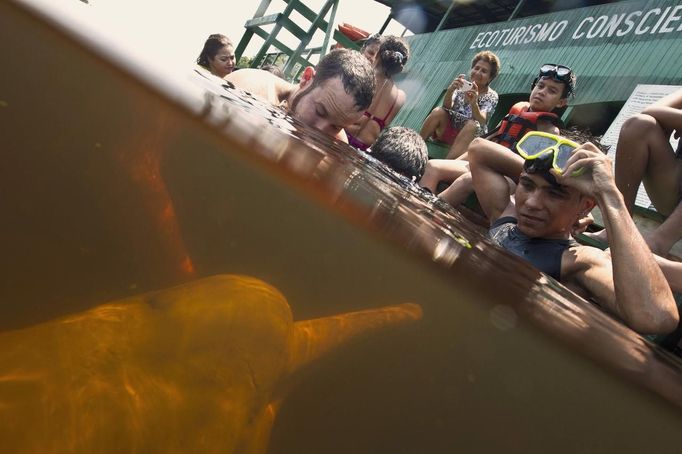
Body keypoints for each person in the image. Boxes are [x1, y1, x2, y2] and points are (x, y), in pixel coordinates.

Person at [466, 131, 678, 334]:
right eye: (527, 185)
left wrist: (608, 193)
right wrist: (546, 167)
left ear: (586, 206)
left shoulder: (579, 261)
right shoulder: (505, 216)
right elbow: (478, 149)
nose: (531, 203)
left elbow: (656, 317)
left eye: (554, 194)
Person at [421, 63, 576, 208]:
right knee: (433, 166)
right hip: (483, 166)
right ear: (533, 87)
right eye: (540, 86)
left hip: (510, 179)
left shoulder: (550, 131)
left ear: (561, 102)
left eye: (552, 91)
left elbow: (531, 173)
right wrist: (455, 163)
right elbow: (488, 141)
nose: (542, 92)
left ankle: (430, 212)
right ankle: (418, 207)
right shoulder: (514, 112)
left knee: (467, 180)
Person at [594, 88, 682, 255]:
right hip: (674, 188)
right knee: (639, 125)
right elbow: (650, 111)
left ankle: (659, 243)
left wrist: (673, 119)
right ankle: (617, 226)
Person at [226, 49, 375, 143]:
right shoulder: (250, 88)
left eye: (335, 127)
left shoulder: (339, 141)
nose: (319, 130)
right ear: (306, 77)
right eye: (319, 111)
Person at [419, 51, 500, 159]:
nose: (478, 72)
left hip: (469, 137)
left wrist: (474, 103)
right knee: (438, 111)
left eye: (484, 71)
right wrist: (450, 90)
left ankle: (445, 166)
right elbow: (447, 107)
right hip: (450, 130)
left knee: (473, 125)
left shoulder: (491, 95)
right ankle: (415, 148)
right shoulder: (463, 86)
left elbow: (482, 120)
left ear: (490, 78)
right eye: (476, 68)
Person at [344, 36, 409, 151]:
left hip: (341, 136)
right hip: (363, 148)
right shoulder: (400, 97)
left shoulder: (361, 75)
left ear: (378, 54)